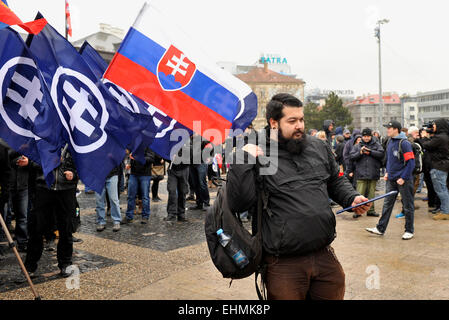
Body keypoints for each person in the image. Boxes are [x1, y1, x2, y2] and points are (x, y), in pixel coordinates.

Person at [226, 93, 370, 300]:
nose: (299, 126)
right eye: (292, 121)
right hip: (283, 264)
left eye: (301, 119)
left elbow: (335, 181)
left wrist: (351, 198)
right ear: (273, 122)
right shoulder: (255, 151)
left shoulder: (318, 146)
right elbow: (239, 202)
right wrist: (242, 160)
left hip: (324, 254)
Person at [25, 145, 78, 277]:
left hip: (66, 190)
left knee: (66, 229)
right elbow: (33, 162)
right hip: (44, 188)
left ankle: (65, 264)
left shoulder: (72, 139)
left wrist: (74, 174)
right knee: (37, 228)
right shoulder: (42, 138)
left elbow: (84, 163)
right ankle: (30, 267)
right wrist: (48, 162)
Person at [366, 120, 416, 240]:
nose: (387, 130)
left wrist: (403, 177)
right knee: (387, 205)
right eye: (387, 128)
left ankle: (409, 230)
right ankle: (380, 228)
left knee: (408, 205)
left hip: (403, 180)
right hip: (391, 179)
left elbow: (411, 163)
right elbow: (389, 160)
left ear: (396, 129)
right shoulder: (389, 142)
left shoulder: (404, 143)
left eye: (390, 128)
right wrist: (387, 172)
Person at [349, 128, 384, 218]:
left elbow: (381, 154)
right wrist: (360, 153)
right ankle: (357, 211)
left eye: (368, 136)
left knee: (371, 194)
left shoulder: (376, 144)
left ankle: (371, 211)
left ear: (371, 136)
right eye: (364, 136)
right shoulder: (357, 146)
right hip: (360, 174)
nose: (366, 138)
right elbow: (352, 156)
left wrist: (370, 152)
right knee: (359, 193)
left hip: (373, 173)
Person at [422, 119, 449, 221]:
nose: (433, 127)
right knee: (443, 189)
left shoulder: (440, 138)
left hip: (439, 166)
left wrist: (424, 137)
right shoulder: (444, 136)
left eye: (434, 125)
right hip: (442, 165)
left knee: (441, 190)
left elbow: (427, 145)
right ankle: (444, 210)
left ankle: (445, 212)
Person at [124, 148, 155, 224]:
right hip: (133, 174)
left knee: (145, 197)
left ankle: (145, 216)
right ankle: (129, 216)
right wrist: (129, 162)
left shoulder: (148, 145)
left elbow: (151, 159)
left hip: (145, 174)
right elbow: (129, 157)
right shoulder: (134, 145)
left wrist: (138, 157)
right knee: (131, 196)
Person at [8, 149, 31, 252]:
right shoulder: (5, 139)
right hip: (7, 184)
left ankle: (22, 242)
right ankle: (5, 240)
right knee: (5, 215)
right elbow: (5, 156)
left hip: (23, 184)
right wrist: (20, 148)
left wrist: (28, 161)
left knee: (23, 216)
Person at [164, 144, 190, 222]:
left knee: (183, 192)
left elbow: (192, 156)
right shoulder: (170, 143)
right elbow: (164, 155)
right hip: (173, 170)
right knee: (172, 191)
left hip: (184, 169)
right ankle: (171, 214)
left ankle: (181, 214)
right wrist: (170, 158)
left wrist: (180, 157)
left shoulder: (187, 143)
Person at [95, 165, 122, 232]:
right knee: (99, 200)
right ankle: (101, 221)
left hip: (112, 174)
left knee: (113, 199)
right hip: (98, 175)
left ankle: (116, 221)